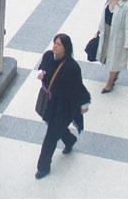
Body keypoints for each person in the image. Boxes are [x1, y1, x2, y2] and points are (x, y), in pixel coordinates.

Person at [35, 34, 90, 179]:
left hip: (65, 106)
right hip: (51, 102)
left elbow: (78, 87)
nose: (55, 46)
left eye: (58, 44)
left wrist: (84, 102)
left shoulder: (72, 67)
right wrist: (41, 72)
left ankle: (43, 167)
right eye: (54, 43)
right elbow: (43, 66)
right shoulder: (48, 56)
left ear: (66, 48)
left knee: (51, 136)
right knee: (53, 127)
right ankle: (70, 140)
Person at [96, 0, 128, 93]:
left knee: (113, 60)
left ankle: (109, 83)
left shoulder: (127, 6)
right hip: (106, 32)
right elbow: (103, 16)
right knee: (107, 55)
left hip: (117, 37)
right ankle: (115, 73)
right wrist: (98, 30)